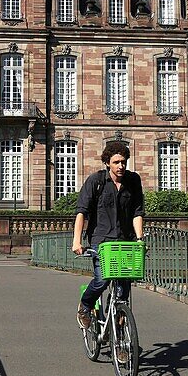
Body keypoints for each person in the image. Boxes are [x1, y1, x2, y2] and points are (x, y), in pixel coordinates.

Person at [72, 140, 145, 330]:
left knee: (123, 291)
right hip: (101, 240)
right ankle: (85, 305)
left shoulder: (133, 181)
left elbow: (137, 212)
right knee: (102, 280)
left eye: (123, 162)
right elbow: (82, 212)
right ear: (107, 162)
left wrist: (139, 238)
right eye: (116, 162)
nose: (121, 166)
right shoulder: (96, 181)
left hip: (125, 241)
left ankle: (120, 339)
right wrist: (76, 241)